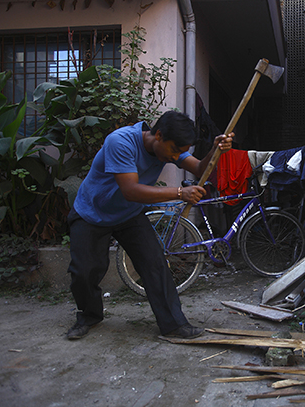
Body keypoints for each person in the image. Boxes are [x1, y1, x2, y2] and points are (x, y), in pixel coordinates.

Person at [66, 111, 234, 340]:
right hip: (92, 212)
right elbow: (130, 190)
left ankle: (174, 325)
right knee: (84, 271)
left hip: (129, 215)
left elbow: (199, 169)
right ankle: (88, 315)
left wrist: (215, 150)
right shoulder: (121, 142)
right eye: (175, 150)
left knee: (155, 264)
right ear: (158, 135)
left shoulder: (168, 148)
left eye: (181, 152)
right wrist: (179, 192)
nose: (177, 156)